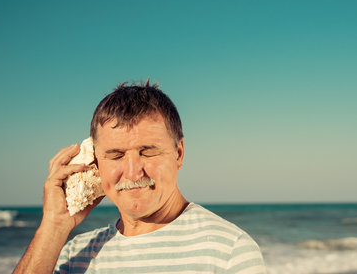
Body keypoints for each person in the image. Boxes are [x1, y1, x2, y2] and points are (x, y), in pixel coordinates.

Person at [14, 81, 266, 273]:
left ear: (179, 153)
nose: (133, 172)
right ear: (95, 163)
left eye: (147, 152)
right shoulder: (74, 254)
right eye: (115, 155)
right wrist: (53, 226)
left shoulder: (230, 251)